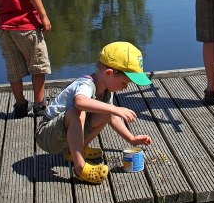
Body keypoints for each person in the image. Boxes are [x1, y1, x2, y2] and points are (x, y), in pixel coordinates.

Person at [35, 41, 153, 184]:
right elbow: (80, 102)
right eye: (124, 83)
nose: (125, 88)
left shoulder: (107, 90)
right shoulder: (86, 84)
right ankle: (80, 168)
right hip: (47, 135)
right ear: (109, 73)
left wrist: (131, 139)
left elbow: (112, 117)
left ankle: (75, 152)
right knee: (77, 112)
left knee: (106, 113)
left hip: (64, 134)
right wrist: (115, 108)